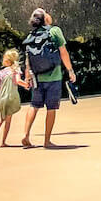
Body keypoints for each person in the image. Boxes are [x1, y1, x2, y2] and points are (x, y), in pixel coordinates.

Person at [21, 8, 76, 149]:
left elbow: (28, 58)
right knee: (51, 108)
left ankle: (25, 135)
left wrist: (27, 77)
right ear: (45, 18)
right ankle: (47, 141)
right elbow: (63, 53)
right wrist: (70, 70)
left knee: (34, 105)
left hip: (37, 77)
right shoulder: (54, 31)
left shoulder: (32, 34)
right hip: (54, 76)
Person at [0, 48, 30, 148]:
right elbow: (17, 81)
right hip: (11, 97)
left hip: (2, 98)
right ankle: (2, 141)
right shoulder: (15, 70)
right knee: (8, 120)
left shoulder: (1, 73)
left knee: (2, 118)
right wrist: (26, 85)